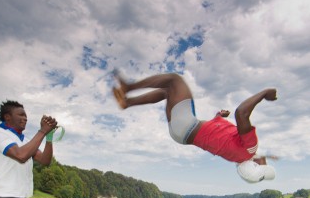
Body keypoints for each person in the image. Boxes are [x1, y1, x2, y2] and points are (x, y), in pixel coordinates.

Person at [112, 72, 278, 183]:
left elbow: (241, 113)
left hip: (188, 125)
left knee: (174, 81)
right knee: (166, 92)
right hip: (181, 134)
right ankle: (127, 103)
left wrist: (265, 93)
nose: (265, 160)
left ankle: (128, 88)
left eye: (264, 163)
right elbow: (216, 134)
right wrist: (219, 116)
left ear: (257, 163)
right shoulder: (237, 157)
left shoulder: (249, 149)